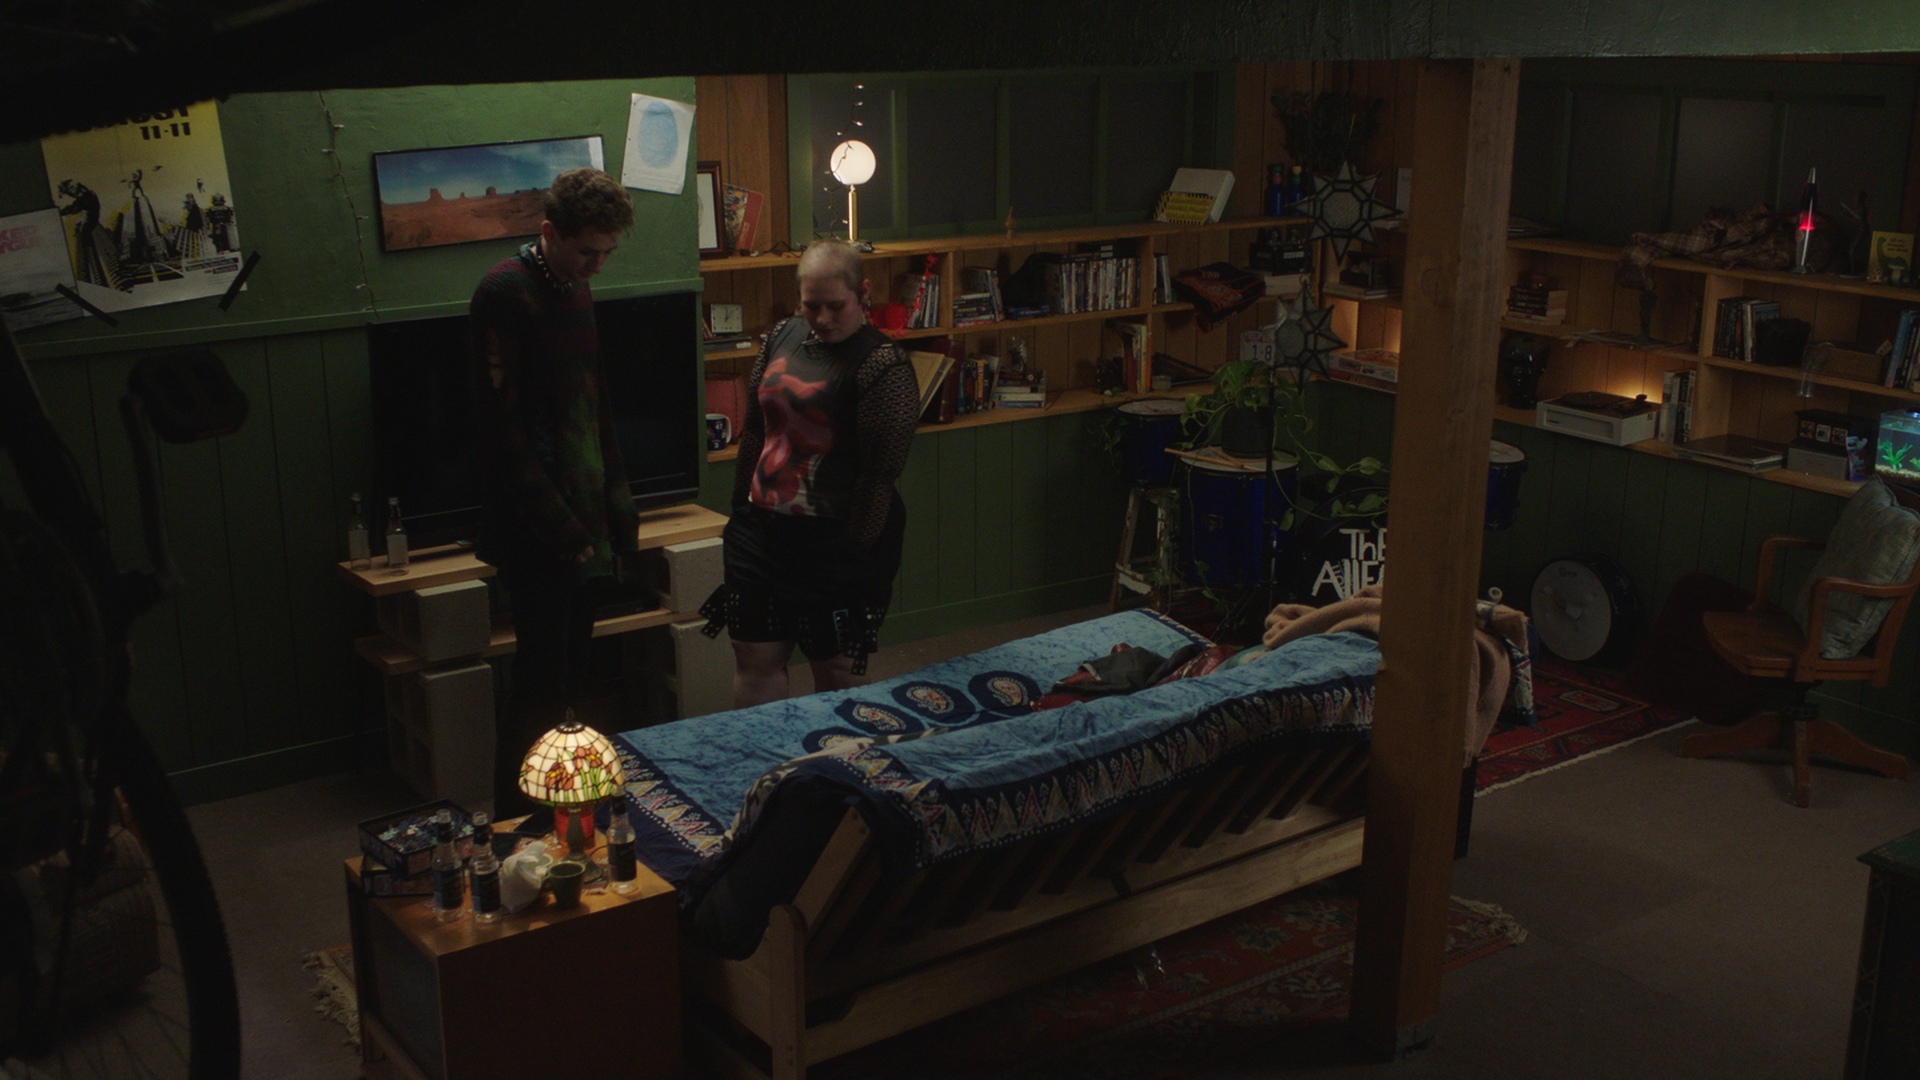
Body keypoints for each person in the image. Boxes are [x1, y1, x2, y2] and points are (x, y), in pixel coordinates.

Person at [469, 167, 639, 816]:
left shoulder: (576, 287)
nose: (597, 264)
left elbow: (596, 412)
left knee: (574, 682)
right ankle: (512, 822)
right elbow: (501, 434)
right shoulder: (505, 294)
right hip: (537, 531)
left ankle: (562, 810)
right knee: (536, 688)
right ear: (549, 232)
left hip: (586, 521)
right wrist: (563, 532)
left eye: (607, 253)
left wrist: (619, 518)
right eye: (586, 250)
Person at [700, 239, 919, 707]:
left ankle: (841, 770)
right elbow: (757, 430)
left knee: (836, 664)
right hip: (762, 529)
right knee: (752, 654)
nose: (821, 319)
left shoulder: (884, 365)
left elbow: (879, 474)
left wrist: (854, 558)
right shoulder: (783, 335)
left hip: (839, 536)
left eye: (835, 306)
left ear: (863, 292)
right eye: (811, 305)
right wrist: (742, 508)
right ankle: (764, 767)